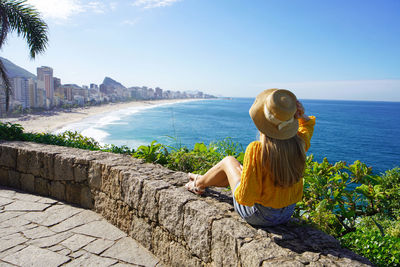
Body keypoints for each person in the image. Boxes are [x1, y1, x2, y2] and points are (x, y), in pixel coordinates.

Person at [185, 88, 315, 227]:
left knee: (229, 162)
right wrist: (302, 116)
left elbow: (244, 198)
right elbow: (307, 126)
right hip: (287, 213)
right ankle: (201, 179)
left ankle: (198, 184)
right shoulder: (299, 143)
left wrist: (241, 180)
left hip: (259, 215)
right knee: (239, 170)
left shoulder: (257, 150)